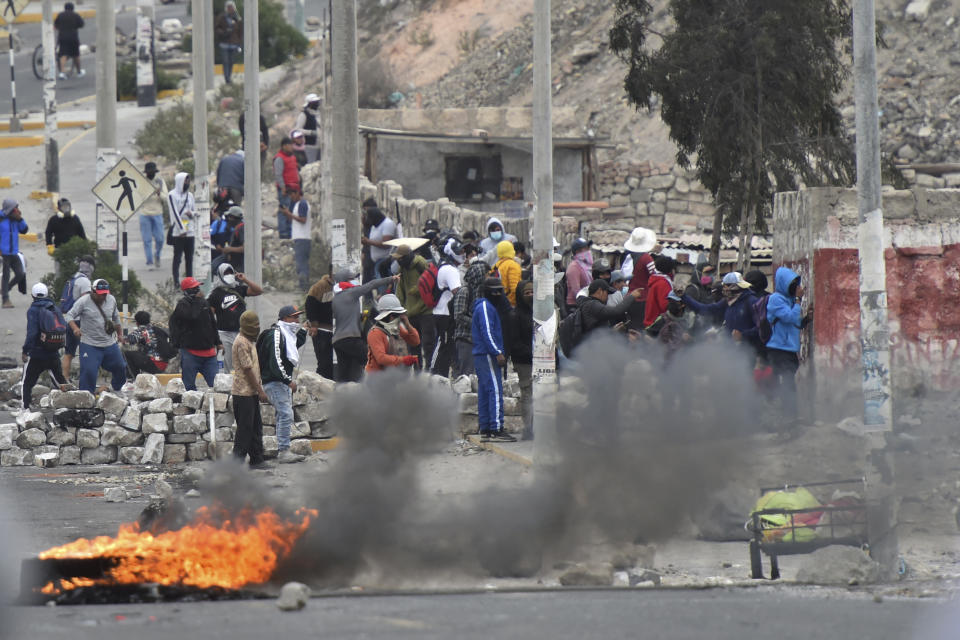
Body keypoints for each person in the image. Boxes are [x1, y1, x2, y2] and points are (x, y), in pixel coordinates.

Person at [257, 305, 307, 464]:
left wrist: (304, 330)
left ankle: (282, 449)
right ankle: (284, 451)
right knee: (285, 414)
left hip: (280, 381)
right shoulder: (276, 334)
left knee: (282, 414)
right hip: (275, 381)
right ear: (285, 318)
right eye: (294, 317)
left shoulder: (286, 334)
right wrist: (288, 380)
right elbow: (276, 362)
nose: (297, 320)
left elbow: (292, 346)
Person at [766, 266, 814, 427]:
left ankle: (790, 416)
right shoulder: (776, 299)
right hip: (779, 348)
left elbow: (794, 322)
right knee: (786, 383)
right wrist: (799, 301)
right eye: (793, 284)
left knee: (789, 382)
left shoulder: (788, 300)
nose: (797, 287)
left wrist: (806, 320)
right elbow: (788, 317)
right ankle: (787, 417)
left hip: (789, 348)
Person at [331, 271, 397, 382]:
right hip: (350, 339)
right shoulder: (351, 292)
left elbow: (344, 317)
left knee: (344, 374)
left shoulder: (336, 298)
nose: (354, 280)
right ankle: (385, 387)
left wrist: (361, 316)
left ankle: (341, 396)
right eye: (351, 278)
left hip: (338, 341)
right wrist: (391, 278)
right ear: (345, 281)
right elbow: (371, 284)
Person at [471, 278, 516, 442]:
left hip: (482, 354)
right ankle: (496, 428)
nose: (498, 294)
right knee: (495, 390)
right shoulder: (485, 307)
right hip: (487, 354)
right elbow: (487, 331)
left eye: (500, 290)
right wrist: (497, 352)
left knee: (485, 391)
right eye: (495, 291)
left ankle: (486, 428)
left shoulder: (486, 306)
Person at [64, 279, 126, 394]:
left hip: (109, 343)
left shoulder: (111, 299)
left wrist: (120, 335)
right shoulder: (83, 301)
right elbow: (69, 315)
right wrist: (75, 328)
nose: (103, 296)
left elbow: (116, 319)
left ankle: (116, 389)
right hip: (89, 344)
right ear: (93, 291)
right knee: (89, 371)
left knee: (121, 366)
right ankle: (86, 396)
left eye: (105, 294)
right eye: (100, 294)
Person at [169, 276, 221, 391]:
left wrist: (218, 342)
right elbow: (192, 317)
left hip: (209, 354)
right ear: (187, 291)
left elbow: (212, 323)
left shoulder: (204, 303)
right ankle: (190, 408)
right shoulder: (182, 305)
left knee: (217, 386)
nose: (197, 290)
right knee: (189, 387)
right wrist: (198, 302)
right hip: (190, 354)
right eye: (194, 288)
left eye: (197, 287)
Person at [207, 263, 262, 372]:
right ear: (220, 275)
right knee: (224, 365)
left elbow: (258, 291)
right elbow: (209, 316)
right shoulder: (215, 294)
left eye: (230, 272)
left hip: (241, 333)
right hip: (224, 334)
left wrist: (245, 279)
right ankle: (225, 385)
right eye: (226, 273)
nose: (228, 275)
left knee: (246, 363)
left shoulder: (239, 289)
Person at [682, 271, 759, 347]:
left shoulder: (751, 301)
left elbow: (761, 328)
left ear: (737, 286)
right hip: (730, 350)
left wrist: (743, 335)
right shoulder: (727, 301)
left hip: (748, 350)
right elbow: (706, 310)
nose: (724, 289)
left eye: (727, 285)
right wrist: (684, 296)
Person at [21, 283, 68, 409]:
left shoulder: (33, 310)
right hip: (53, 353)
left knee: (27, 383)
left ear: (33, 295)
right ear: (47, 294)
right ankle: (72, 403)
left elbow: (32, 333)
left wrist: (25, 351)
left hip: (37, 354)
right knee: (60, 381)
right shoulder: (54, 308)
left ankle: (25, 409)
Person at [232, 310, 268, 468]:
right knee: (245, 429)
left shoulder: (249, 340)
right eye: (254, 326)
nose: (257, 328)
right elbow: (247, 369)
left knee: (255, 427)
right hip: (243, 393)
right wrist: (260, 390)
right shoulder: (241, 342)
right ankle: (236, 462)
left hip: (251, 391)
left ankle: (257, 459)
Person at [390, 245, 432, 367]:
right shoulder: (402, 269)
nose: (398, 261)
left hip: (425, 311)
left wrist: (416, 290)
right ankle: (418, 371)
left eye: (400, 258)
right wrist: (399, 308)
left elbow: (429, 282)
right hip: (410, 313)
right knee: (413, 345)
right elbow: (400, 290)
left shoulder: (421, 264)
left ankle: (430, 369)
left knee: (428, 344)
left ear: (407, 257)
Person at [428, 238, 464, 376]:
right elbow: (457, 291)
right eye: (459, 252)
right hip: (444, 313)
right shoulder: (450, 270)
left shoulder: (445, 266)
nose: (462, 254)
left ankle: (441, 374)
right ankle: (435, 373)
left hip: (443, 312)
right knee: (443, 344)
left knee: (447, 345)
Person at [59, 255, 94, 380]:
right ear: (91, 266)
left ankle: (64, 379)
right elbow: (86, 302)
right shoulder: (84, 281)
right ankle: (86, 380)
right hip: (80, 322)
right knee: (87, 352)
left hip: (69, 320)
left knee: (69, 353)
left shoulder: (74, 278)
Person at [366, 294, 420, 373]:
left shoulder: (397, 329)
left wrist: (407, 324)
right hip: (377, 378)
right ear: (386, 316)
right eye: (395, 315)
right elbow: (381, 358)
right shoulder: (375, 333)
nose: (398, 318)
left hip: (393, 375)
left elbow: (415, 341)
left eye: (399, 315)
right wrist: (404, 360)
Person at [451, 258, 487, 377]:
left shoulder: (482, 293)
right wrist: (477, 324)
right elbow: (459, 316)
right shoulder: (465, 291)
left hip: (479, 340)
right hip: (466, 339)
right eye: (485, 274)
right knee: (467, 375)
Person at [576, 279, 642, 342]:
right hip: (592, 348)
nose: (607, 297)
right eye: (607, 293)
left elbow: (597, 332)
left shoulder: (590, 305)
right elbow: (617, 311)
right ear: (600, 291)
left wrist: (614, 330)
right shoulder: (592, 305)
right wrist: (632, 296)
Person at [508, 280, 534, 439]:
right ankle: (529, 427)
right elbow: (515, 343)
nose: (530, 295)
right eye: (527, 293)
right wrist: (531, 353)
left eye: (532, 292)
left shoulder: (537, 313)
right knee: (528, 394)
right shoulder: (515, 316)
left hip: (538, 360)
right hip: (523, 362)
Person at [624, 227, 658, 328]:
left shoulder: (628, 257)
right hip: (643, 299)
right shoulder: (647, 258)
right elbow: (654, 276)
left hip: (630, 297)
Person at [280, 186, 311, 289]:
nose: (291, 197)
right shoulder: (297, 204)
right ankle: (304, 287)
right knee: (301, 264)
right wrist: (287, 214)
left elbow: (303, 220)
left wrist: (289, 214)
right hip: (300, 238)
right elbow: (295, 220)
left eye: (292, 194)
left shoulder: (302, 203)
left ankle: (304, 287)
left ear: (297, 193)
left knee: (301, 264)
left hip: (303, 238)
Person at [124, 311, 173, 376]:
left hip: (154, 364)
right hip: (165, 364)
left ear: (137, 323)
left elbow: (127, 340)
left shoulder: (141, 330)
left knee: (127, 354)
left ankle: (133, 378)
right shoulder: (158, 329)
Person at [168, 172, 196, 282]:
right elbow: (174, 213)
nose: (187, 183)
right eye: (185, 180)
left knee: (189, 259)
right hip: (178, 233)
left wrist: (192, 214)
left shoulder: (190, 196)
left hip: (190, 232)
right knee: (177, 258)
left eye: (188, 180)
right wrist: (182, 229)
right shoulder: (172, 195)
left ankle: (189, 282)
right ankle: (176, 282)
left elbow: (195, 210)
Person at [305, 274, 334, 379]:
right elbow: (310, 305)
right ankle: (319, 386)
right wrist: (313, 325)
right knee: (324, 363)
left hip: (337, 330)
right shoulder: (319, 287)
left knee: (333, 363)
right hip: (321, 330)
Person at [0, 199, 28, 309]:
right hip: (4, 252)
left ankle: (5, 289)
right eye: (14, 209)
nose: (16, 211)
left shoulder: (16, 220)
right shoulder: (1, 219)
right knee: (6, 275)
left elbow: (24, 230)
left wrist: (20, 219)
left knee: (20, 274)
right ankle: (5, 299)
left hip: (14, 252)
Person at [140, 162, 168, 269]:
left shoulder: (160, 181)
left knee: (160, 238)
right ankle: (149, 261)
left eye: (152, 172)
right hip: (144, 213)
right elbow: (138, 197)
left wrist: (159, 193)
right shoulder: (142, 182)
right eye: (149, 172)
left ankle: (157, 255)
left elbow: (166, 198)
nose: (150, 174)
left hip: (157, 213)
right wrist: (149, 192)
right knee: (147, 240)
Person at [273, 137, 300, 239]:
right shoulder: (279, 158)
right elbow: (278, 175)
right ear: (284, 146)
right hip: (286, 189)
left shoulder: (292, 157)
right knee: (284, 210)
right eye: (290, 145)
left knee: (291, 210)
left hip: (294, 189)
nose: (292, 147)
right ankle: (284, 233)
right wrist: (283, 187)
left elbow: (295, 172)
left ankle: (290, 232)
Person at [361, 206, 397, 282]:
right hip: (377, 262)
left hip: (385, 262)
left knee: (383, 288)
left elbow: (386, 244)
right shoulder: (375, 225)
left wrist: (368, 242)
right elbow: (366, 225)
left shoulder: (388, 224)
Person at [643, 255, 677, 328]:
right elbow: (665, 306)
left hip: (651, 322)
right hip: (657, 325)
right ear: (671, 269)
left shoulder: (657, 280)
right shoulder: (663, 283)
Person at [54, 2, 85, 79]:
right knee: (76, 55)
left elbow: (56, 24)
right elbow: (82, 24)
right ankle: (79, 72)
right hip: (73, 37)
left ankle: (62, 72)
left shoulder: (60, 15)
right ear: (73, 8)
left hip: (62, 37)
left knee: (63, 54)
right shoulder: (75, 15)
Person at [214, 1, 242, 84]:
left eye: (232, 7)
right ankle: (227, 79)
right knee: (225, 61)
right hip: (224, 43)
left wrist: (239, 42)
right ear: (226, 8)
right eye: (229, 7)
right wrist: (223, 32)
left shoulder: (237, 18)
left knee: (231, 61)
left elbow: (240, 31)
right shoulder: (222, 17)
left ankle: (229, 76)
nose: (230, 9)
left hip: (234, 43)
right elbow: (217, 28)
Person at [565, 237, 593, 311]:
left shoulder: (587, 266)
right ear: (578, 251)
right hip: (576, 305)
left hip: (587, 302)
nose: (588, 251)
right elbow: (576, 290)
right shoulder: (574, 267)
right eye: (586, 249)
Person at [492, 240, 522, 307]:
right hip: (509, 305)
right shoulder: (513, 265)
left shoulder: (496, 266)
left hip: (497, 303)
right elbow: (515, 289)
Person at [294, 93, 322, 163]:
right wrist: (311, 132)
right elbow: (298, 129)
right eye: (315, 102)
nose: (317, 104)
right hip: (310, 145)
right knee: (311, 164)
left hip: (321, 144)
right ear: (310, 104)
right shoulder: (304, 115)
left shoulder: (319, 114)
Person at [220, 206, 246, 271]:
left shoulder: (241, 228)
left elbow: (245, 248)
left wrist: (229, 249)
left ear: (234, 218)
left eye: (229, 217)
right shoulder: (237, 228)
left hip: (240, 266)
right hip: (235, 265)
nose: (228, 219)